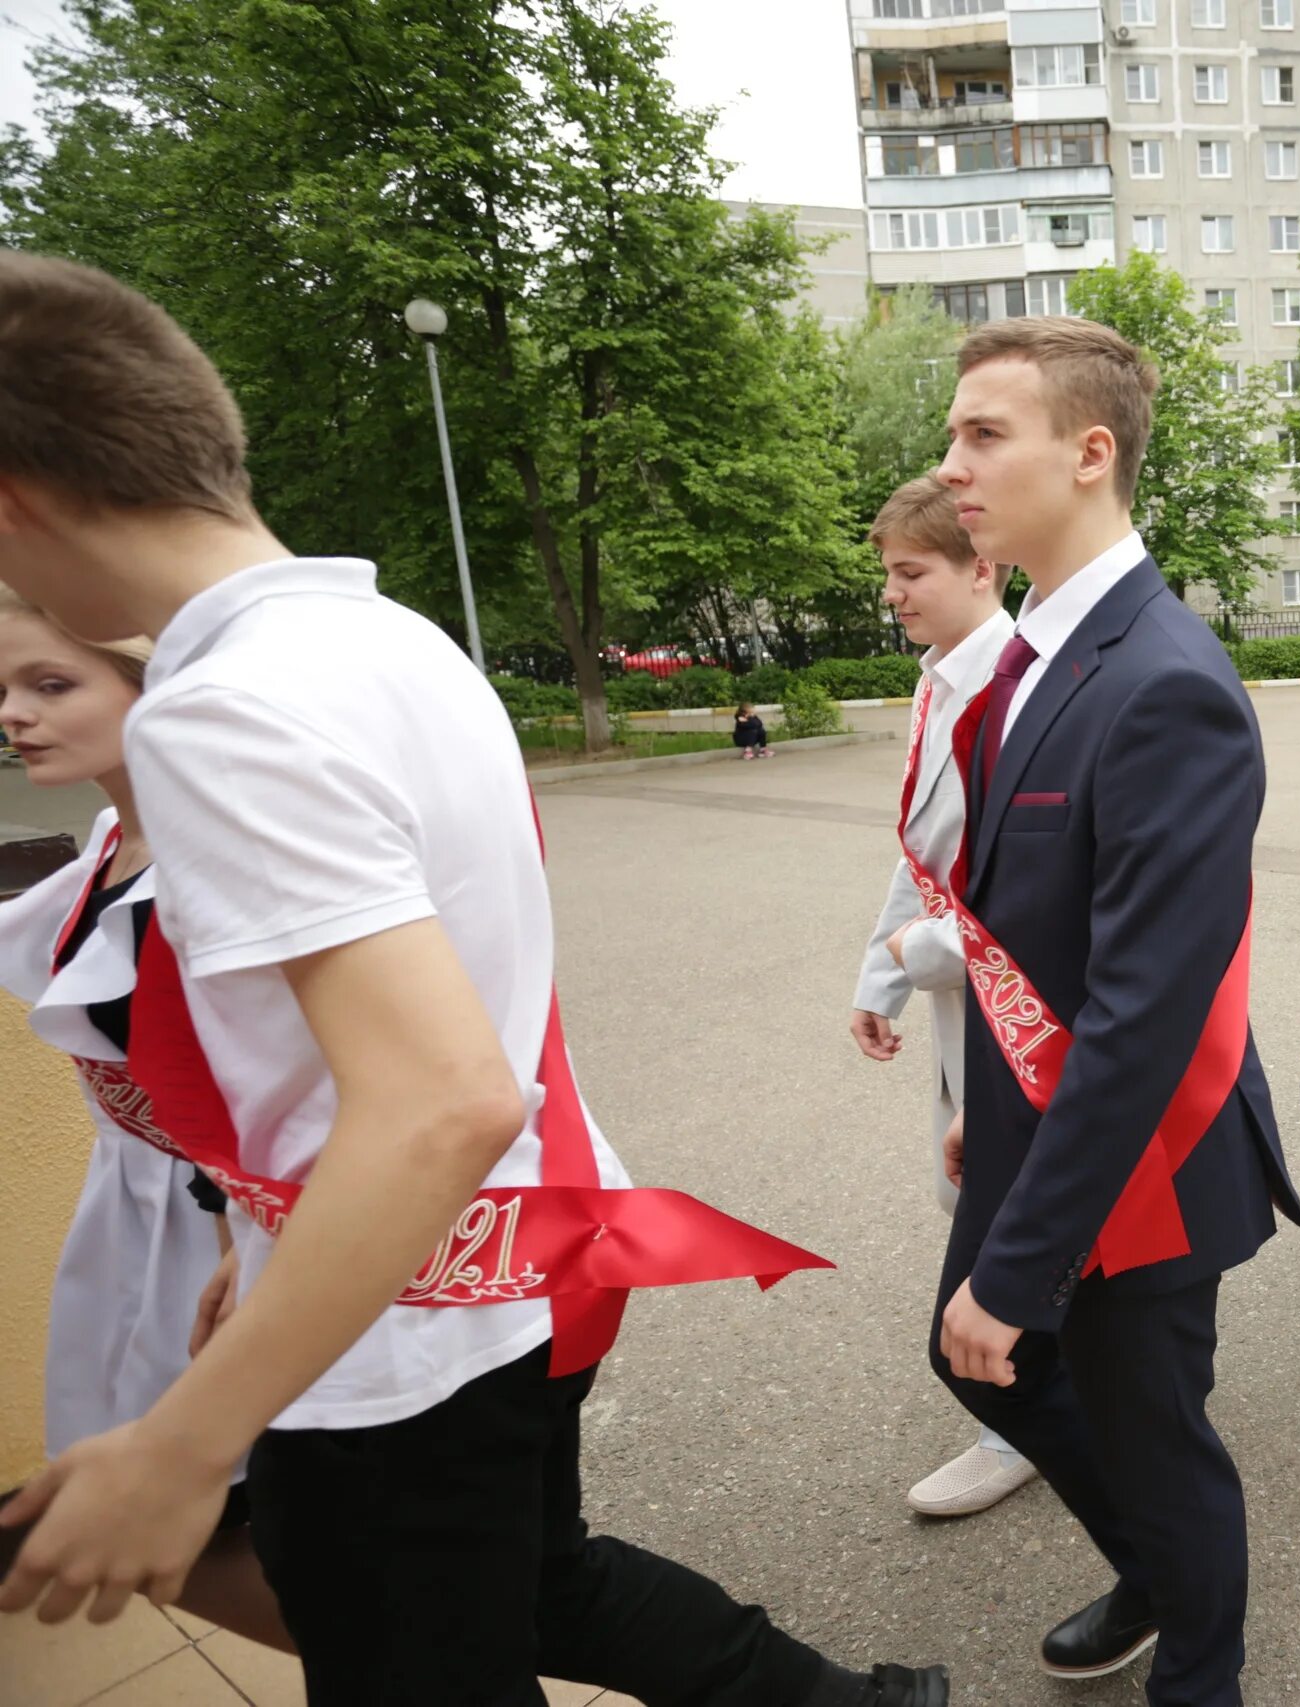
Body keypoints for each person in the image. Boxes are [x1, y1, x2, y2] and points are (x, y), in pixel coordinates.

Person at [0, 253, 944, 1707]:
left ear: (19, 499)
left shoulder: (219, 710)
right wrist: (260, 1235)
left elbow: (436, 1094)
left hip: (392, 1352)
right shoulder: (382, 636)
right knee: (526, 1597)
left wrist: (183, 1443)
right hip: (486, 1282)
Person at [926, 316, 1300, 1706]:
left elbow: (1143, 1010)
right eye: (955, 433)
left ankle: (1198, 1667)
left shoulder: (1165, 683)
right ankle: (1157, 1572)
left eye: (984, 433)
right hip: (1047, 1112)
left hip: (1141, 1148)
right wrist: (990, 1099)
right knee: (984, 1365)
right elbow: (1033, 933)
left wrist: (1021, 1263)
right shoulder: (1046, 647)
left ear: (1091, 453)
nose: (952, 463)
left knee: (1153, 1434)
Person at [0, 591, 290, 1652]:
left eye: (52, 684)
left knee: (231, 1530)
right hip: (141, 1211)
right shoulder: (119, 834)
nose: (15, 715)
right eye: (5, 690)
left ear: (153, 690)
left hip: (218, 1227)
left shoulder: (211, 862)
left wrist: (242, 1256)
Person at [847, 477, 1040, 1518]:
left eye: (909, 572)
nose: (892, 593)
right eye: (888, 572)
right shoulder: (941, 682)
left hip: (1020, 1011)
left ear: (979, 567)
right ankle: (1045, 1398)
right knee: (985, 1197)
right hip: (961, 1001)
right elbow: (926, 857)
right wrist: (882, 977)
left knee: (1009, 1208)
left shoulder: (1015, 691)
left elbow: (1033, 901)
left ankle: (1019, 1422)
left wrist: (914, 954)